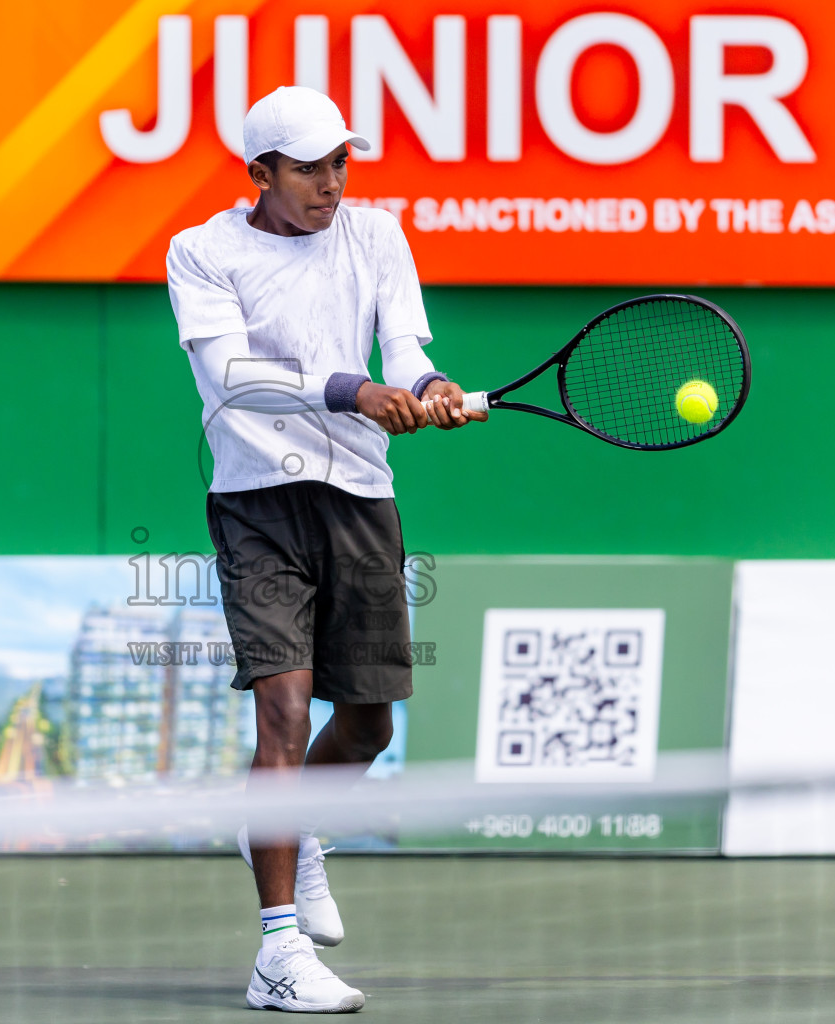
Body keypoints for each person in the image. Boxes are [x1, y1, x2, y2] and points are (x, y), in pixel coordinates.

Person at [166, 85, 485, 1013]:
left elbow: (409, 350)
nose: (331, 183)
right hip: (257, 503)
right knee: (283, 712)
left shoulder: (378, 237)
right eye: (309, 168)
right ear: (259, 173)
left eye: (342, 163)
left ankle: (296, 829)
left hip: (361, 499)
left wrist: (427, 385)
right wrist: (350, 388)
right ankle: (277, 952)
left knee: (370, 723)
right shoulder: (203, 251)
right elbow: (230, 375)